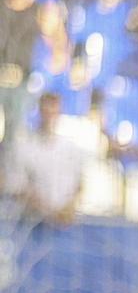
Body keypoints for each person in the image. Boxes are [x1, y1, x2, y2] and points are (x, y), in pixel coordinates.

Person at [7, 90, 84, 223]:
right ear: (40, 111)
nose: (50, 116)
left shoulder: (70, 149)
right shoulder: (25, 146)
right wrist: (48, 211)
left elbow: (79, 184)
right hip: (31, 226)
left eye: (54, 111)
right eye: (46, 111)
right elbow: (17, 187)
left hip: (62, 228)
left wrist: (68, 208)